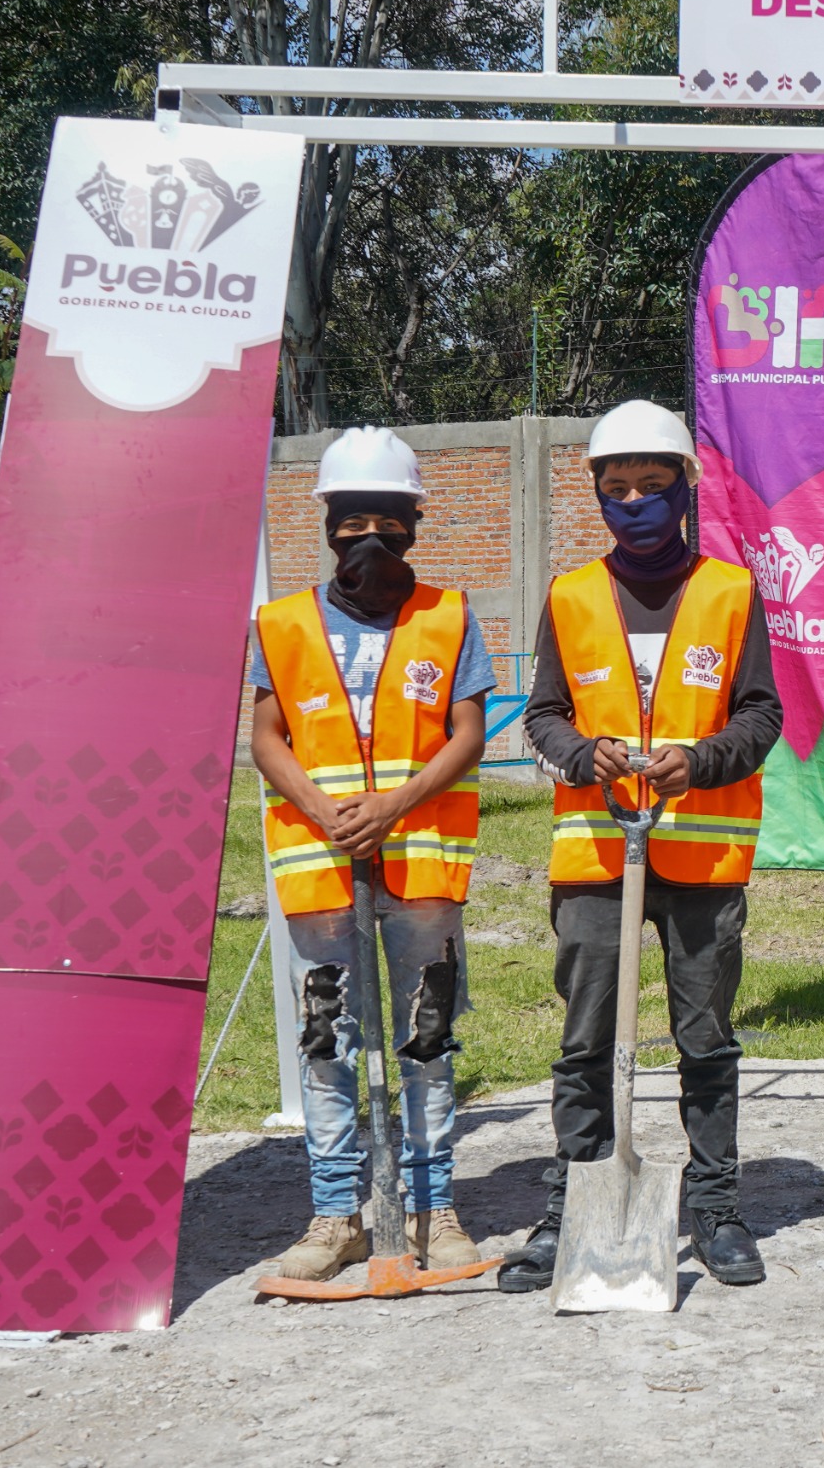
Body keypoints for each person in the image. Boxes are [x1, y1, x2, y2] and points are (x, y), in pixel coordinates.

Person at [496, 400, 783, 1294]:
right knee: (586, 1042)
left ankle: (717, 1205)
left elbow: (762, 713)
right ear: (598, 495)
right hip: (595, 856)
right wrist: (582, 755)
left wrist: (699, 762)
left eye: (651, 486)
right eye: (616, 488)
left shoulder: (731, 592)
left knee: (705, 1038)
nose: (633, 502)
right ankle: (572, 1202)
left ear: (683, 488)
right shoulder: (573, 596)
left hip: (700, 861)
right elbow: (542, 713)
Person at [249, 426, 495, 1281]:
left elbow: (469, 734)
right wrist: (327, 811)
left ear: (415, 524)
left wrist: (392, 805)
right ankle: (334, 1214)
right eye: (352, 523)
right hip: (321, 868)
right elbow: (267, 737)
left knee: (427, 1039)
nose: (370, 539)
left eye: (387, 522)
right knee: (328, 1041)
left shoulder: (449, 615)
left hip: (422, 867)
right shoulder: (281, 624)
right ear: (327, 526)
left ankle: (434, 1208)